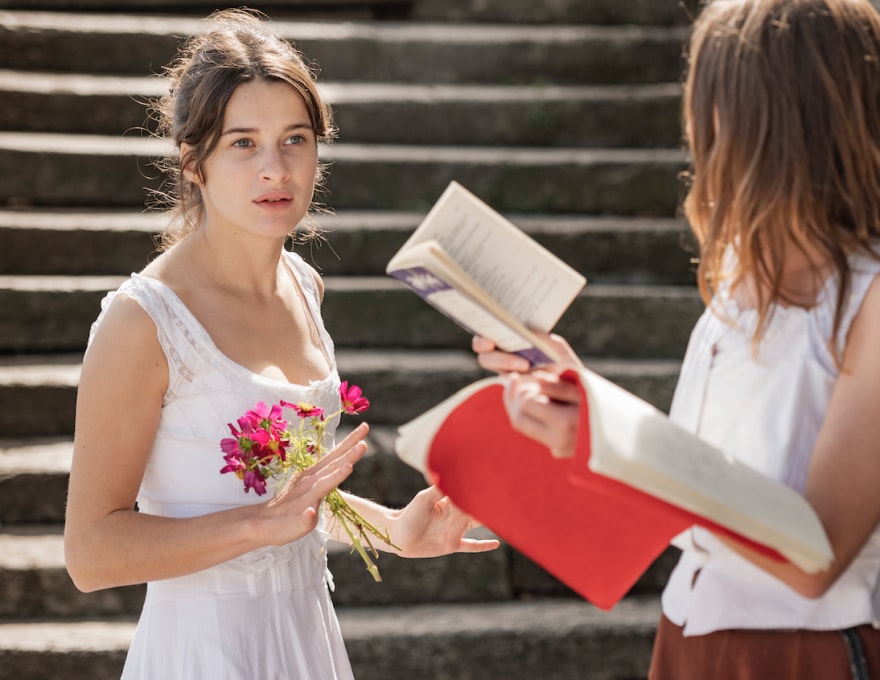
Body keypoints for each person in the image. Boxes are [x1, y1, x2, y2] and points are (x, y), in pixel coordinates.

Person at [63, 9, 498, 679]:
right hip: (204, 651)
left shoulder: (304, 285)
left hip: (304, 639)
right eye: (243, 143)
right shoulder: (142, 323)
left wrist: (394, 531)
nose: (276, 168)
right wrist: (255, 527)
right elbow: (90, 554)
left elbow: (295, 493)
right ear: (194, 162)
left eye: (295, 139)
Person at [473, 0, 880, 677]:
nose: (693, 128)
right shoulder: (736, 284)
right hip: (689, 635)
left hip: (806, 653)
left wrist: (617, 437)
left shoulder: (870, 296)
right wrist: (587, 400)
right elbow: (702, 493)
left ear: (778, 123)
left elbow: (815, 556)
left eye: (711, 101)